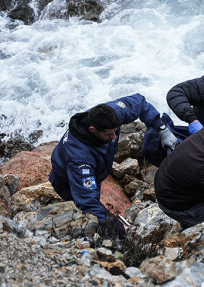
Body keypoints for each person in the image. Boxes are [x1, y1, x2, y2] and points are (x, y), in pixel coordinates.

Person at [50, 94, 178, 236]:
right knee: (92, 220)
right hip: (67, 182)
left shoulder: (110, 113)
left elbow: (140, 103)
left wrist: (162, 129)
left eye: (115, 131)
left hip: (95, 166)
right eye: (109, 134)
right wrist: (116, 229)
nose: (114, 137)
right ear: (92, 130)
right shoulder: (81, 162)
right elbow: (87, 201)